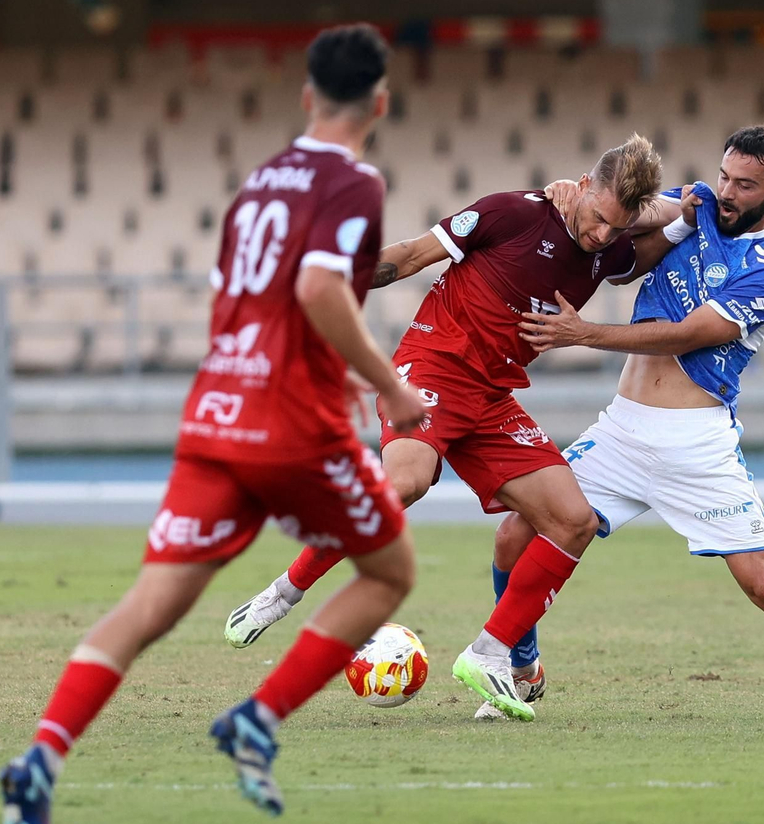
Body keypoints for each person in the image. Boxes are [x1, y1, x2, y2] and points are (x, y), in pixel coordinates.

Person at [0, 24, 429, 824]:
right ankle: (259, 720)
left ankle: (40, 759)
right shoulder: (355, 182)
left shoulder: (258, 184)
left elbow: (243, 301)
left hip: (214, 413)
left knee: (151, 604)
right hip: (290, 427)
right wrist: (387, 385)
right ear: (380, 100)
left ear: (306, 96)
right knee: (391, 568)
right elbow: (316, 289)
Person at [488, 126, 764, 725]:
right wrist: (569, 195)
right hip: (621, 431)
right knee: (515, 533)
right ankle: (519, 668)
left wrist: (587, 335)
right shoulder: (695, 205)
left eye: (744, 185)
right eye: (724, 176)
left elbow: (693, 333)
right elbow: (617, 229)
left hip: (695, 445)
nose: (726, 191)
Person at [220, 135, 667, 721]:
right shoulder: (513, 212)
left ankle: (490, 653)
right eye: (600, 218)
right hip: (432, 365)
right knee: (406, 481)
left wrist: (683, 205)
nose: (603, 235)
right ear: (583, 185)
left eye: (620, 225)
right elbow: (407, 257)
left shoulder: (610, 253)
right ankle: (284, 592)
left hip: (492, 396)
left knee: (573, 521)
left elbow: (680, 214)